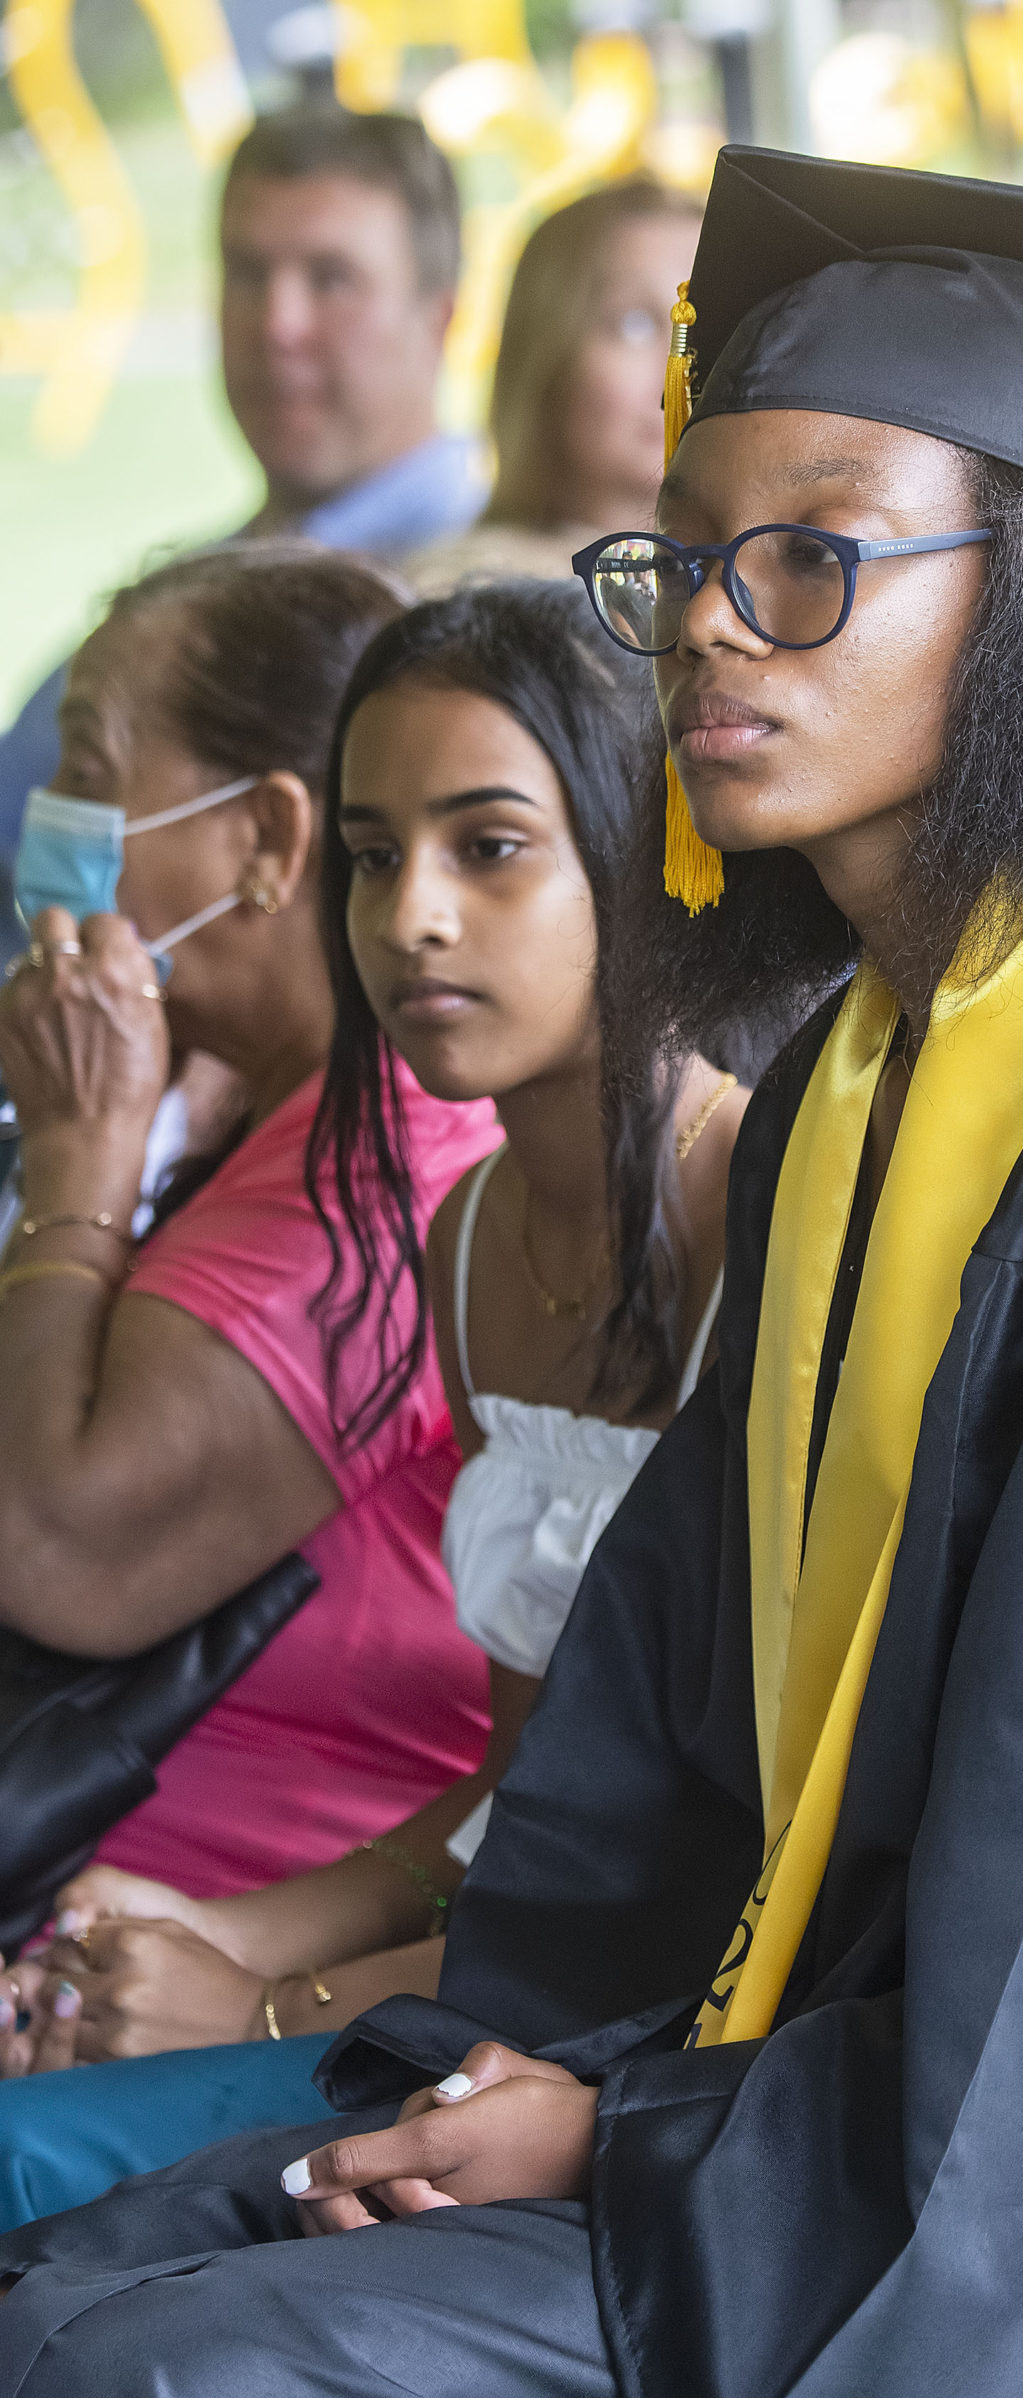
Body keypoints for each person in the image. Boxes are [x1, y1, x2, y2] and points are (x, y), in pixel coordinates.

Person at [0, 154, 1023, 2398]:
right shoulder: (866, 1075)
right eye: (682, 564)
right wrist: (554, 2071)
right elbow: (672, 1774)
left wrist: (629, 2143)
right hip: (803, 2127)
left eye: (812, 560)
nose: (711, 638)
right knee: (56, 2296)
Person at [0, 584, 746, 2224]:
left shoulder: (750, 1214)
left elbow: (712, 1874)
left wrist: (273, 2001)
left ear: (631, 853)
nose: (411, 917)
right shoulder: (474, 1240)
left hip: (664, 2069)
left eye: (489, 849)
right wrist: (236, 1936)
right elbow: (517, 1796)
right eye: (369, 852)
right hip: (486, 1987)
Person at [0, 547, 497, 1953]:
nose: (52, 821)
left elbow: (58, 1549)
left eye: (93, 765)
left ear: (271, 843)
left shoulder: (392, 1153)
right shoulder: (257, 1107)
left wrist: (81, 1163)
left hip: (156, 1987)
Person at [0, 103, 482, 948]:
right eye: (247, 273)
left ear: (439, 316)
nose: (276, 325)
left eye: (330, 278)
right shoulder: (180, 601)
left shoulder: (483, 594)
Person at [409, 181, 703, 594]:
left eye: (701, 324)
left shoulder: (763, 580)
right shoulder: (469, 596)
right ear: (545, 354)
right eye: (633, 324)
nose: (683, 364)